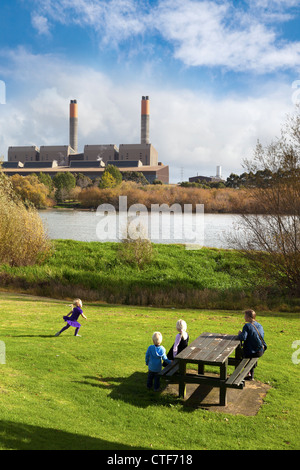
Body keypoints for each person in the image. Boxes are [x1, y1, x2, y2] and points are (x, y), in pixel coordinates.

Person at [238, 309, 266, 380]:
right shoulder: (259, 325)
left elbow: (243, 338)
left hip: (252, 352)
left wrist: (240, 334)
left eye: (245, 316)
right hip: (260, 350)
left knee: (241, 353)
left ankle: (245, 374)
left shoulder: (247, 326)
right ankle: (251, 376)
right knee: (249, 352)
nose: (244, 317)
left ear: (248, 317)